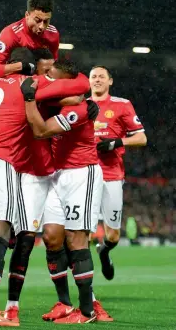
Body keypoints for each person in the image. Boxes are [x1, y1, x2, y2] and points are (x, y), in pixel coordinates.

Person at [0, 48, 96, 326]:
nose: (46, 75)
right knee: (0, 234)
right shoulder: (28, 84)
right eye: (42, 70)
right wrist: (82, 100)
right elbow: (79, 84)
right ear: (28, 67)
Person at [3, 54, 99, 325]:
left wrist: (30, 98)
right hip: (56, 175)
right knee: (52, 237)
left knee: (76, 239)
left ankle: (87, 311)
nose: (49, 82)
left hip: (81, 174)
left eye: (54, 78)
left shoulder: (78, 109)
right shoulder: (60, 101)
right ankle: (65, 304)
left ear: (67, 82)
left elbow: (41, 131)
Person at [89, 66, 147, 280]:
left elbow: (142, 138)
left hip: (112, 174)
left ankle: (105, 251)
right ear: (88, 82)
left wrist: (117, 142)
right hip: (85, 174)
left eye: (101, 77)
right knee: (81, 231)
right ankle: (86, 286)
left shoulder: (122, 105)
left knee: (113, 235)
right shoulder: (79, 105)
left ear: (110, 81)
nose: (97, 80)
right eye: (93, 77)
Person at [0, 0, 59, 80]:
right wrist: (21, 66)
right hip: (13, 83)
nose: (42, 26)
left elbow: (54, 66)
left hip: (39, 83)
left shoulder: (53, 34)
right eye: (37, 20)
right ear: (27, 15)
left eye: (46, 21)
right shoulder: (10, 34)